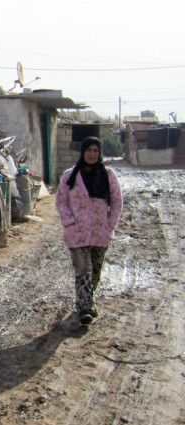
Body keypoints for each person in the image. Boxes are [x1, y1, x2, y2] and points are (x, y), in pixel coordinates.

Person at [55, 136, 123, 325]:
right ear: (82, 152)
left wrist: (110, 224)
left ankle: (88, 301)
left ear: (99, 153)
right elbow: (61, 200)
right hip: (77, 233)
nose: (92, 154)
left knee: (95, 272)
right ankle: (84, 307)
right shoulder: (70, 175)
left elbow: (117, 202)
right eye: (89, 150)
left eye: (95, 150)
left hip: (101, 232)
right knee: (83, 269)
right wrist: (69, 222)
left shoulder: (108, 175)